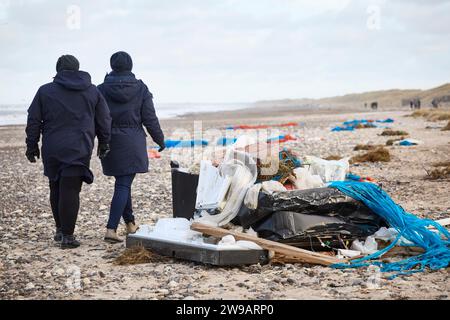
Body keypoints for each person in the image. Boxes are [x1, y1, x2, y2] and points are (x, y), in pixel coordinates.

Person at [25, 55, 112, 249]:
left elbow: (33, 120)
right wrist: (104, 142)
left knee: (55, 186)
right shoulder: (92, 91)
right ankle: (67, 236)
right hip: (79, 146)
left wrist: (31, 145)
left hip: (53, 146)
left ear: (58, 70)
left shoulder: (45, 91)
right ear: (78, 68)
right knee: (70, 189)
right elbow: (104, 119)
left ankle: (60, 230)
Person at [98, 51, 165, 243]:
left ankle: (130, 223)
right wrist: (159, 139)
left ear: (112, 66)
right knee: (123, 183)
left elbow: (96, 117)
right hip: (133, 140)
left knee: (123, 181)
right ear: (131, 66)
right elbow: (149, 118)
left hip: (109, 140)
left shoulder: (101, 89)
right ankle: (111, 229)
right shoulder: (141, 88)